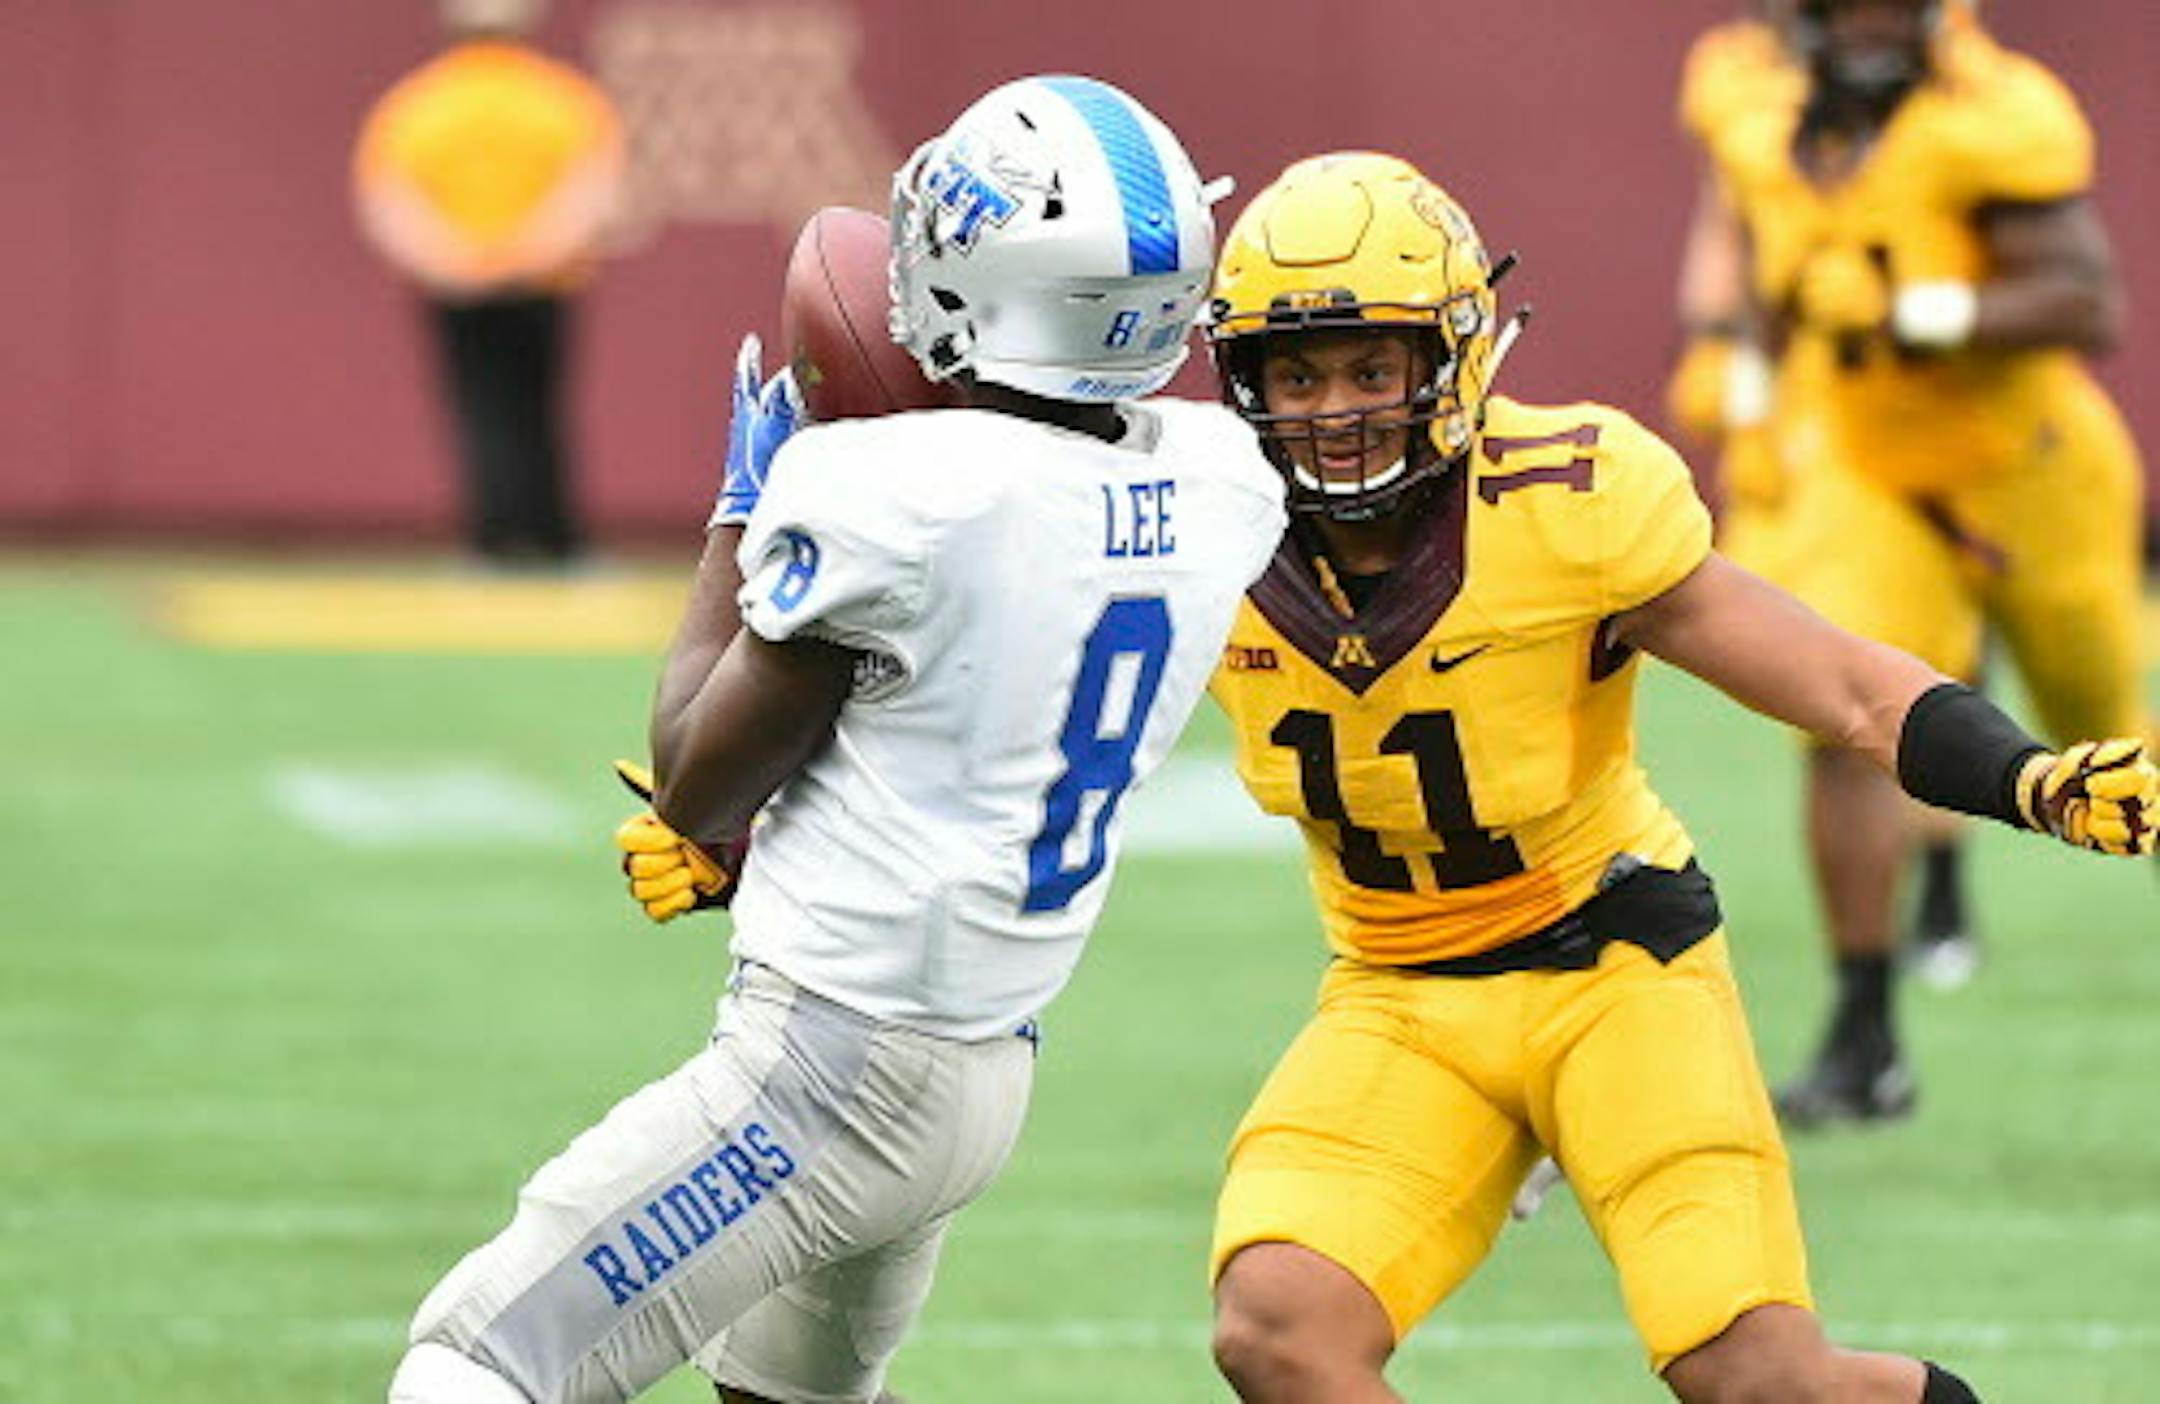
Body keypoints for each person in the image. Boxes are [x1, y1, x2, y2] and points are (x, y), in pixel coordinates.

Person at [1196, 151, 2154, 1403]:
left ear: (1453, 354)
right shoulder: (1199, 536)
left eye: (1372, 369)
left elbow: (1844, 686)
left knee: (1755, 1379)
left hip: (1612, 970)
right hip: (1398, 989)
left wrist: (2028, 779)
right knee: (1277, 1328)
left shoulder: (1569, 501)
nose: (1336, 412)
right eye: (1299, 375)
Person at [386, 75, 1285, 1403]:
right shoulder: (1218, 478)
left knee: (476, 1363)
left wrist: (743, 506)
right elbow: (954, 688)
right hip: (983, 1059)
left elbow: (696, 780)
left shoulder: (895, 495)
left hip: (834, 1065)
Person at [1700, 0, 2152, 1124]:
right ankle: (1867, 1038)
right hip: (1871, 467)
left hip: (2029, 467)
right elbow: (1763, 264)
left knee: (2108, 729)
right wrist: (1750, 395)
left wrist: (1920, 311)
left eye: (1892, 5)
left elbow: (2088, 300)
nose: (1872, 27)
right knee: (1841, 715)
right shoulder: (1757, 115)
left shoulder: (1995, 116)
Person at [1668, 1, 1985, 1002]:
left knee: (2062, 685)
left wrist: (1933, 313)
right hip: (1829, 417)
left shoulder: (1963, 79)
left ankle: (1945, 872)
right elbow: (1733, 227)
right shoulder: (1738, 80)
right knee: (1845, 654)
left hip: (1969, 408)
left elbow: (2054, 270)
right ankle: (1874, 994)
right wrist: (1729, 346)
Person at [353, 0, 624, 567]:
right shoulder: (560, 99)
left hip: (458, 285)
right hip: (541, 282)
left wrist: (454, 260)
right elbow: (591, 192)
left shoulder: (419, 103)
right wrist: (528, 253)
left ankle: (491, 539)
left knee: (479, 408)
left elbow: (389, 198)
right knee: (539, 406)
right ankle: (556, 541)